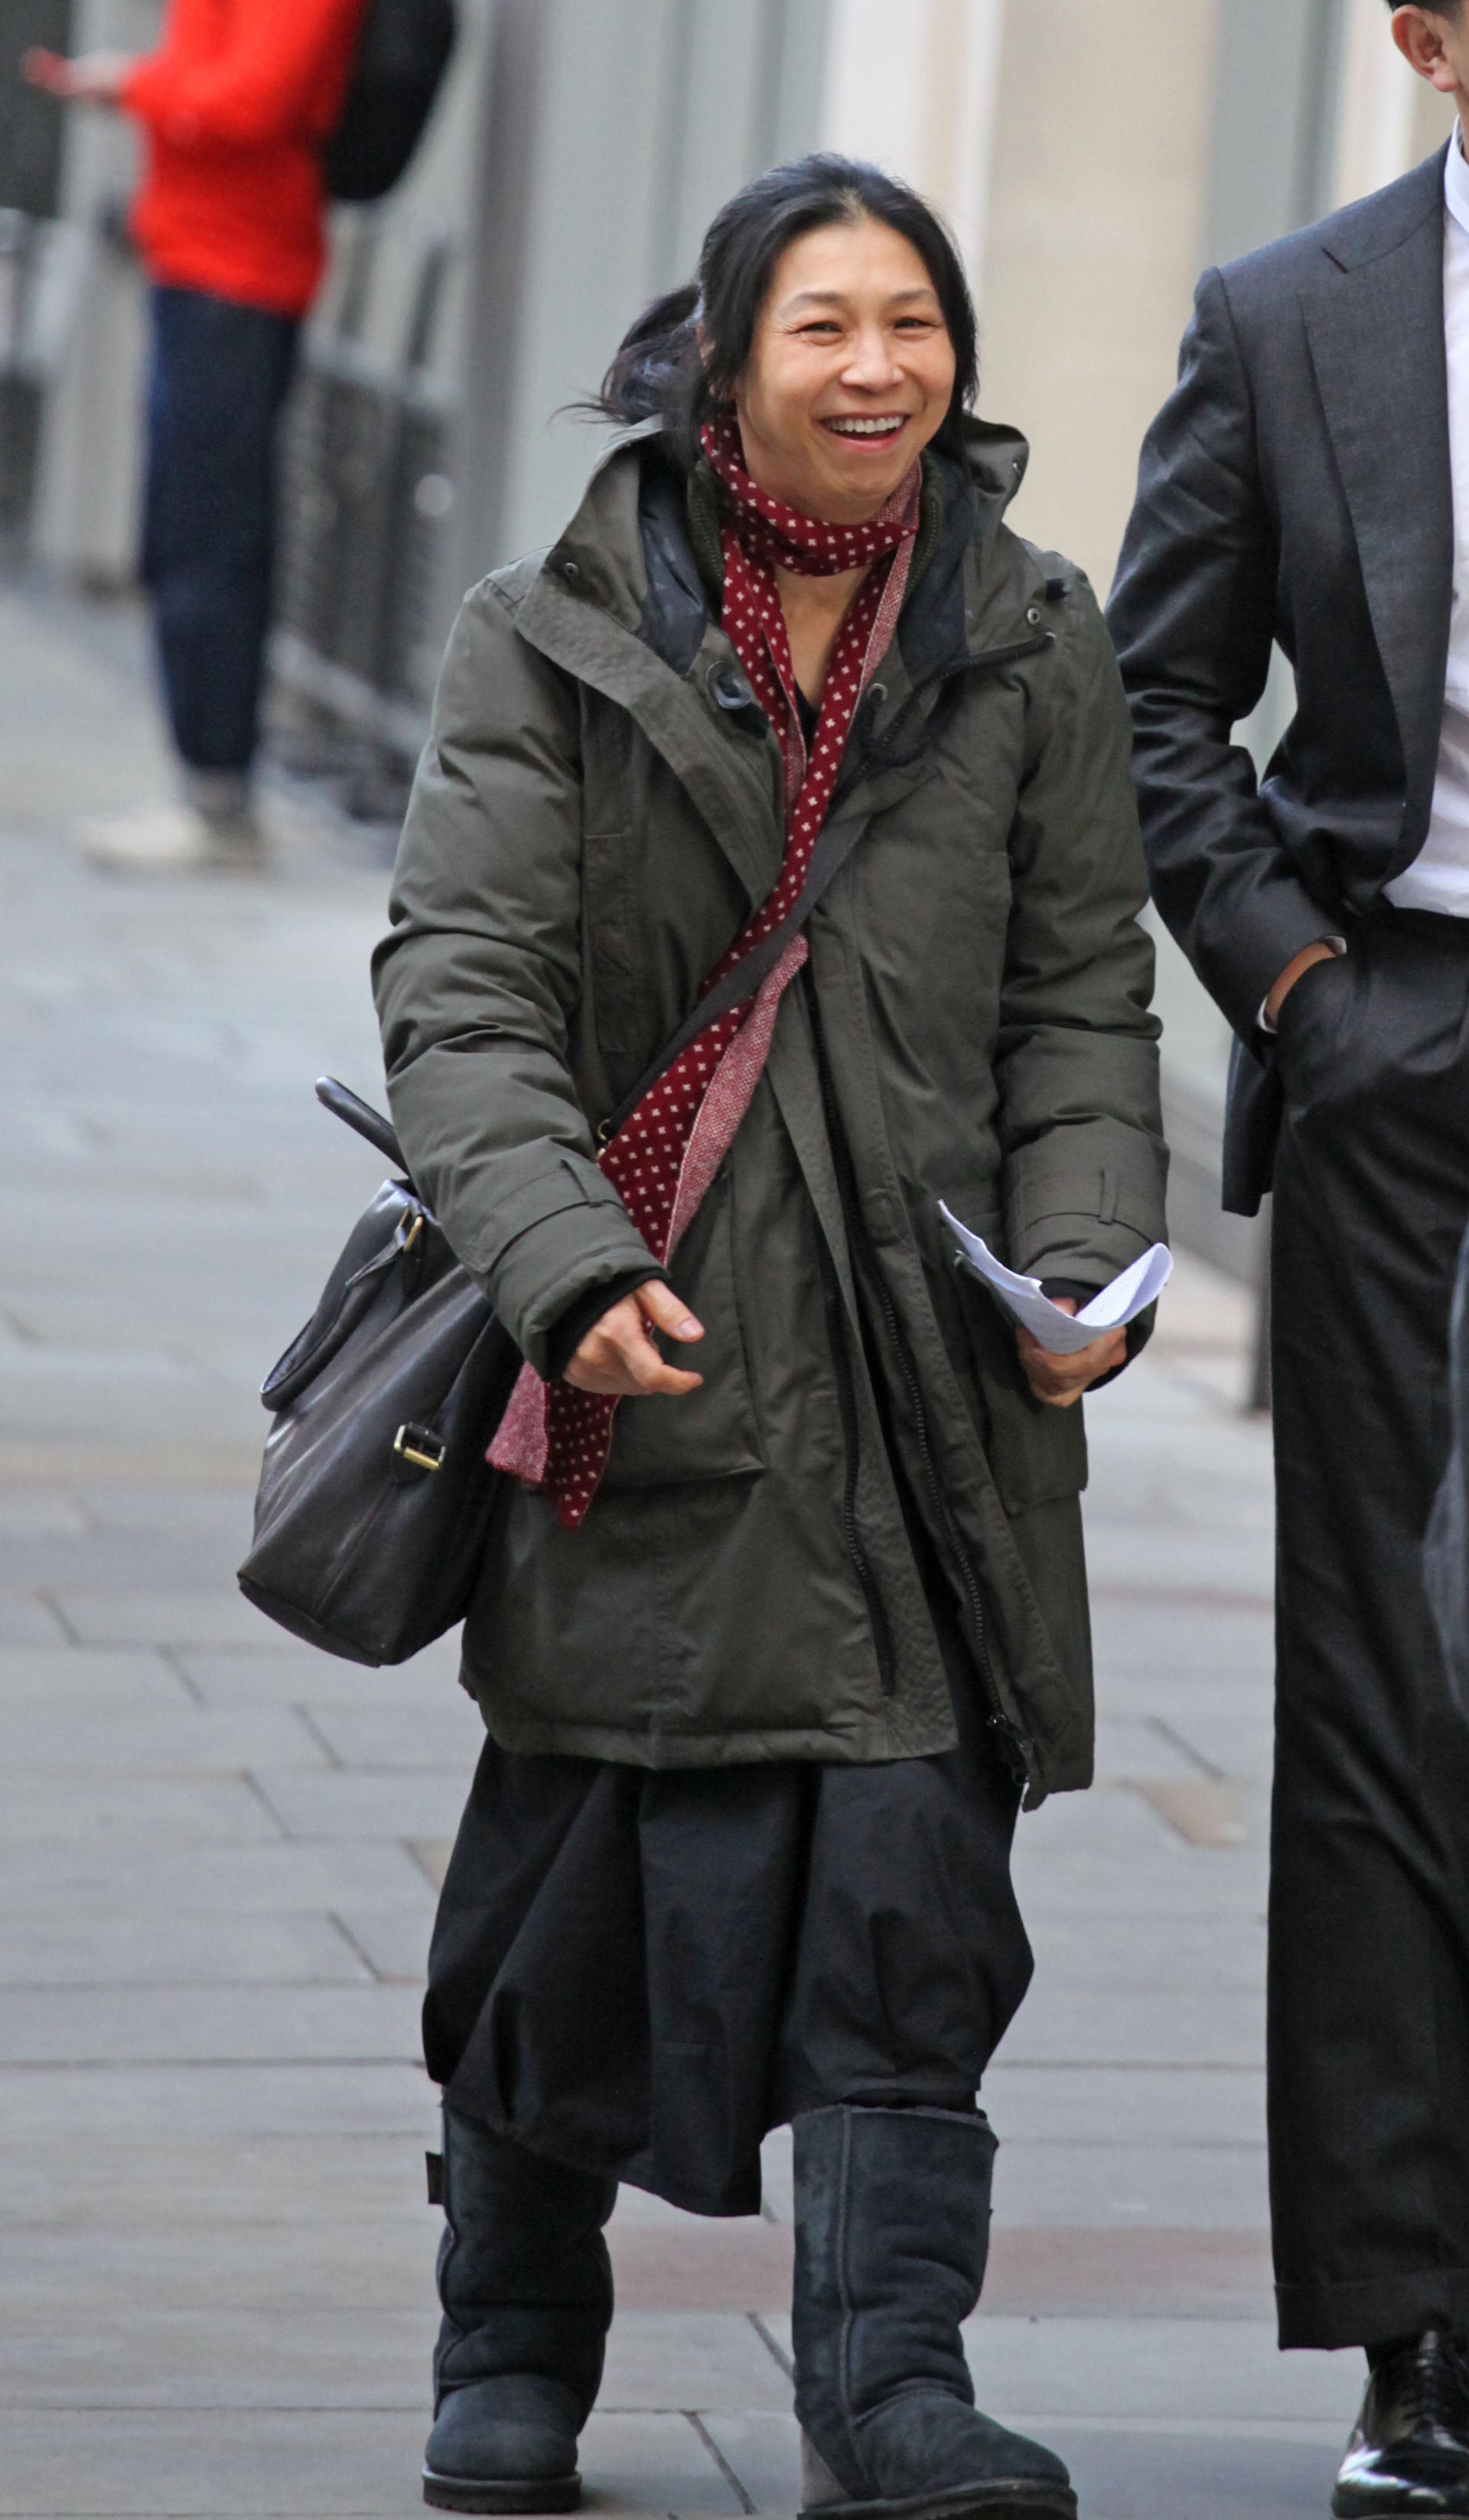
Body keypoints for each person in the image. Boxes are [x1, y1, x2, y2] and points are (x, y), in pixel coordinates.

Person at [375, 153, 1167, 2520]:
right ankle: (510, 2345)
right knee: (569, 1890)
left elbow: (1081, 998)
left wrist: (1088, 1262)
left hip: (933, 1396)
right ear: (725, 358)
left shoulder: (1025, 630)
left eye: (911, 322)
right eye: (821, 324)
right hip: (654, 1363)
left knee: (916, 1901)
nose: (876, 368)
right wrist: (556, 1262)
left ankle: (889, 2390)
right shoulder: (559, 630)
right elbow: (464, 998)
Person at [1107, 7, 1469, 2512]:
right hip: (1409, 1036)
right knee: (1386, 1678)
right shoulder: (1291, 309)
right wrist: (1303, 995)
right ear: (1426, 34)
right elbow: (1155, 704)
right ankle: (1415, 2327)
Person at [24, 0, 366, 869]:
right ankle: (203, 787)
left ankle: (217, 802)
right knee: (186, 527)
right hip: (199, 257)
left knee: (210, 531)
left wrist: (135, 84)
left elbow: (252, 102)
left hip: (240, 271)